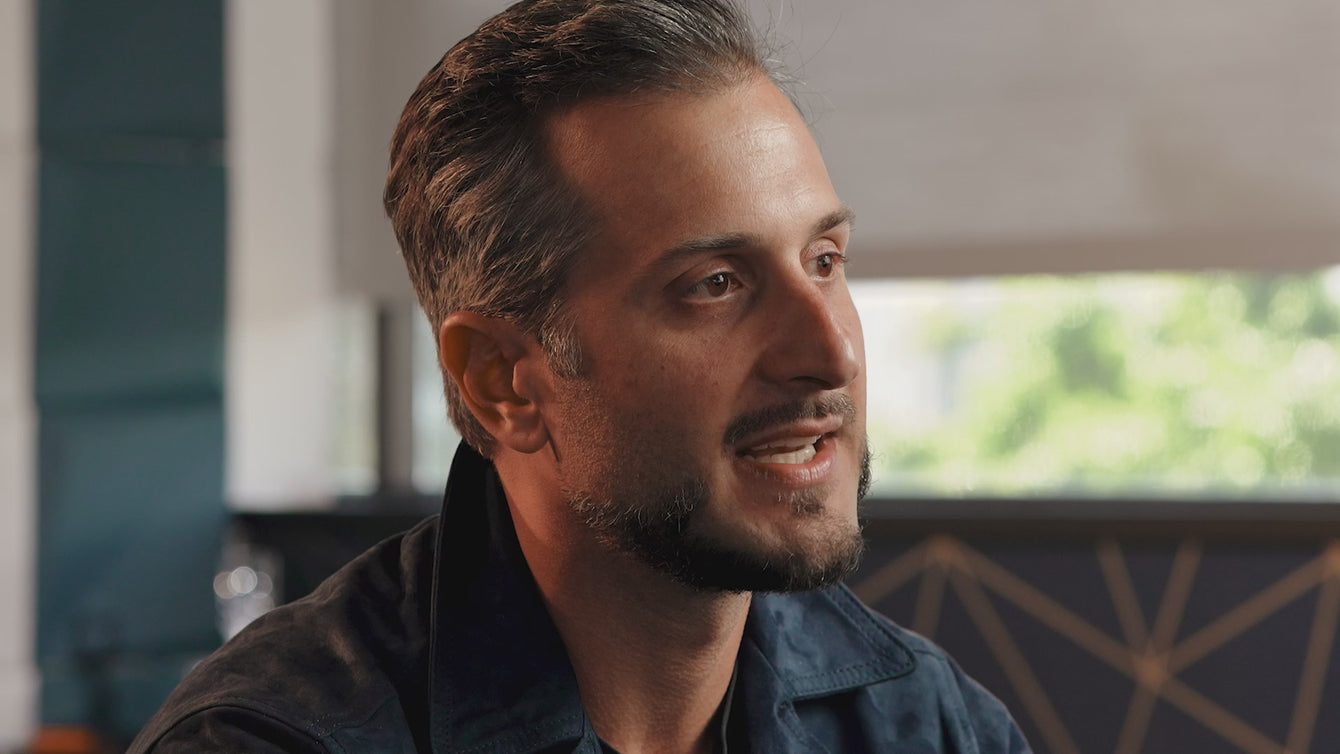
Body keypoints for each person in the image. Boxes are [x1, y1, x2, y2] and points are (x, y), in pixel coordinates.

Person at [130, 0, 1030, 751]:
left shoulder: (924, 722)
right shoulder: (272, 741)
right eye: (715, 284)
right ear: (502, 380)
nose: (832, 355)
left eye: (824, 260)